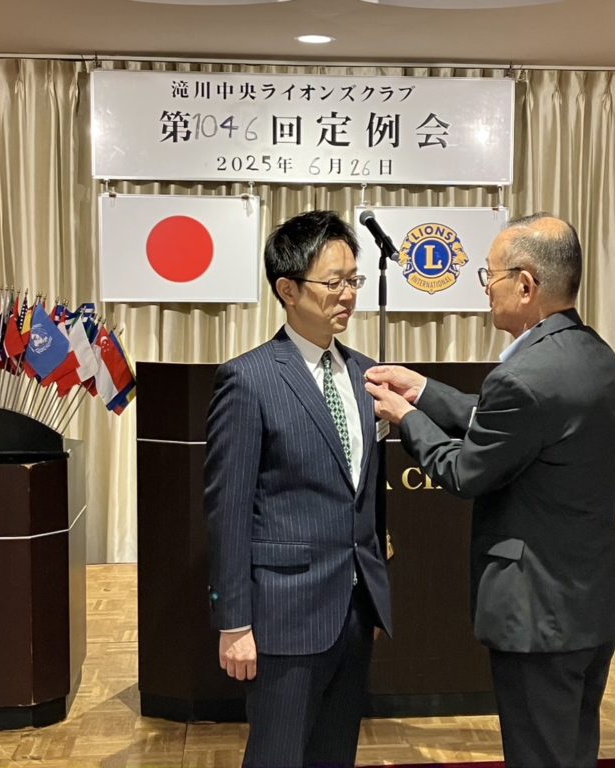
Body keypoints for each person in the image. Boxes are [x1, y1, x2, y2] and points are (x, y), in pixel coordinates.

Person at [365, 213, 615, 768]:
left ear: (525, 285)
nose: (486, 289)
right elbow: (507, 423)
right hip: (587, 603)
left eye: (491, 276)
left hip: (538, 614)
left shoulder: (524, 377)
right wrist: (425, 390)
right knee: (572, 751)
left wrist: (407, 419)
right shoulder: (593, 354)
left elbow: (466, 472)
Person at [204, 209, 392, 768]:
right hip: (283, 615)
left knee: (335, 753)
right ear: (288, 290)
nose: (348, 295)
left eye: (353, 280)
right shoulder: (249, 379)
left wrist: (374, 587)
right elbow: (228, 510)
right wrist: (233, 622)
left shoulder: (365, 374)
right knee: (278, 756)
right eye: (333, 282)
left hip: (354, 609)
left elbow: (365, 492)